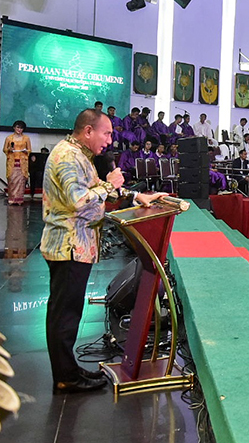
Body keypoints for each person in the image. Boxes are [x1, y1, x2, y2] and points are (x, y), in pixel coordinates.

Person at [42, 109, 164, 394]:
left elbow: (98, 188)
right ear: (87, 131)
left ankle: (67, 370)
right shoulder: (67, 157)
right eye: (106, 133)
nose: (110, 140)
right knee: (65, 314)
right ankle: (65, 377)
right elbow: (78, 200)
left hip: (75, 245)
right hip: (68, 246)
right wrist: (110, 184)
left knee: (67, 311)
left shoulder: (80, 154)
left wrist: (135, 196)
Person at [3, 120, 32, 205]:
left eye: (21, 128)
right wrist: (9, 149)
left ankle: (19, 199)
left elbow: (29, 150)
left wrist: (26, 151)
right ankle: (11, 199)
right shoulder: (9, 138)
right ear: (14, 128)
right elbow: (4, 149)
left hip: (22, 162)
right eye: (18, 127)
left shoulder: (26, 138)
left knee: (21, 181)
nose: (19, 130)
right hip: (12, 161)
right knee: (12, 180)